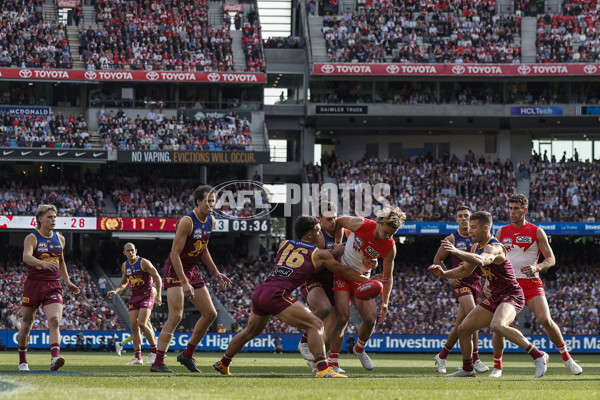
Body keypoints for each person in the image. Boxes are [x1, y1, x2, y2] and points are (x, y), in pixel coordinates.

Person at [213, 215, 373, 378]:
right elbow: (344, 271)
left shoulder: (285, 244)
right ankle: (323, 369)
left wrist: (330, 251)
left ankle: (223, 362)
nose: (320, 234)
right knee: (316, 324)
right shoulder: (318, 254)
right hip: (277, 295)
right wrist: (368, 279)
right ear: (309, 234)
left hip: (261, 291)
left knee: (250, 332)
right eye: (318, 231)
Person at [429, 211, 548, 378]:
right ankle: (468, 369)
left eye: (474, 227)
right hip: (495, 297)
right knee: (463, 328)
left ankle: (538, 355)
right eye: (469, 227)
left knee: (497, 326)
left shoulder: (495, 247)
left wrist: (456, 251)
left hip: (511, 295)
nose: (470, 231)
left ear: (485, 228)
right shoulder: (475, 247)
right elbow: (464, 270)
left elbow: (483, 261)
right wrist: (444, 273)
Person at [491, 194, 583, 377]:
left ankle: (567, 359)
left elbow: (551, 258)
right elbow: (494, 260)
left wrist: (537, 266)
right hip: (509, 285)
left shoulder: (536, 231)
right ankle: (497, 367)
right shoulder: (501, 232)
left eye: (516, 208)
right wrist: (490, 281)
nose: (512, 212)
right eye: (510, 208)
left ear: (524, 210)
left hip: (532, 283)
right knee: (499, 324)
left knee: (546, 320)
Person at [151, 185, 232, 373]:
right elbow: (174, 254)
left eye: (213, 201)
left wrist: (215, 272)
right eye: (208, 201)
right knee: (177, 315)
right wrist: (184, 283)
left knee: (210, 314)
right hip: (175, 269)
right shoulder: (187, 221)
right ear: (198, 202)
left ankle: (187, 354)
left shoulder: (211, 221)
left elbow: (202, 249)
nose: (211, 205)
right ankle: (158, 362)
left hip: (192, 270)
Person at [329, 207, 405, 372]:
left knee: (371, 319)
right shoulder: (361, 224)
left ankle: (359, 349)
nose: (388, 236)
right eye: (386, 232)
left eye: (392, 234)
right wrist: (338, 244)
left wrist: (385, 301)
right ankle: (333, 363)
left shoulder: (390, 246)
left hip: (362, 278)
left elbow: (388, 276)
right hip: (342, 273)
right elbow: (339, 221)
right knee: (342, 318)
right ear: (379, 223)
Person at [17, 204, 81, 371]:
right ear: (40, 219)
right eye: (49, 217)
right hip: (34, 285)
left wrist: (68, 282)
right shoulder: (32, 238)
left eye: (54, 217)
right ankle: (23, 361)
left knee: (54, 320)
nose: (53, 220)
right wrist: (43, 263)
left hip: (53, 285)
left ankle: (54, 359)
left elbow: (61, 261)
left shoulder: (60, 238)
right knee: (26, 323)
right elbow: (26, 257)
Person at [432, 206, 488, 374]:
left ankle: (442, 356)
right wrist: (450, 277)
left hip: (476, 281)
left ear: (472, 220)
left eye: (466, 216)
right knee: (474, 316)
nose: (464, 219)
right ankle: (475, 358)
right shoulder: (452, 238)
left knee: (460, 325)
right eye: (460, 216)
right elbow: (437, 259)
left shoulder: (477, 238)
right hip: (460, 282)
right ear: (456, 219)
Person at [297, 201, 347, 372]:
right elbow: (314, 266)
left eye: (334, 218)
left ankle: (318, 361)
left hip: (333, 282)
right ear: (319, 219)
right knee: (324, 308)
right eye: (328, 219)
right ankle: (305, 338)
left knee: (328, 329)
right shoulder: (317, 236)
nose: (332, 222)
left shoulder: (341, 230)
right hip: (314, 279)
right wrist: (335, 252)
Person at [108, 242, 162, 366]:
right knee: (134, 327)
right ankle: (138, 358)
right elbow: (123, 282)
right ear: (124, 252)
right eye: (128, 250)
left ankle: (155, 353)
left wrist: (158, 295)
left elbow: (158, 277)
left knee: (142, 323)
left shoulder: (144, 262)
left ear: (136, 251)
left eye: (132, 250)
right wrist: (115, 291)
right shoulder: (125, 266)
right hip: (134, 297)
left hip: (147, 295)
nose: (131, 252)